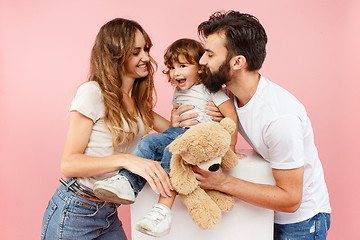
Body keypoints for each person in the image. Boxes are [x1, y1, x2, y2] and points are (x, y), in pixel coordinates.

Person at [172, 11, 331, 239]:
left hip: (302, 222)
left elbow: (291, 199)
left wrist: (222, 182)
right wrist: (176, 124)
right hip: (265, 214)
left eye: (209, 54)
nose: (202, 61)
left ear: (237, 62)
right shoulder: (227, 97)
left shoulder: (279, 118)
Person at [40, 18, 173, 240]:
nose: (146, 58)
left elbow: (174, 133)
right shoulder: (93, 92)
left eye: (146, 50)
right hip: (76, 210)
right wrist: (127, 160)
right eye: (136, 52)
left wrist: (209, 107)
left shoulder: (138, 103)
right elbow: (69, 163)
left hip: (108, 213)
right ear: (116, 54)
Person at [92, 38, 239, 237]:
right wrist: (174, 122)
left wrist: (231, 147)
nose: (176, 72)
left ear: (201, 69)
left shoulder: (210, 89)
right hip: (177, 133)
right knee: (148, 141)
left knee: (173, 153)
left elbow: (231, 115)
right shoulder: (179, 92)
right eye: (171, 67)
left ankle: (162, 210)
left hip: (198, 139)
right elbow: (174, 127)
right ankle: (126, 183)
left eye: (183, 66)